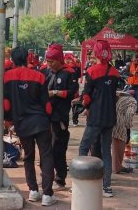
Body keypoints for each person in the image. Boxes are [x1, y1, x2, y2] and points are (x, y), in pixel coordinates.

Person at [4, 47, 57, 207]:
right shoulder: (39, 76)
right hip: (40, 122)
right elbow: (47, 106)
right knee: (46, 156)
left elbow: (6, 104)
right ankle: (47, 194)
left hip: (22, 123)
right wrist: (48, 120)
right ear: (27, 58)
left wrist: (8, 121)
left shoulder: (6, 77)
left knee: (28, 157)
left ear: (12, 60)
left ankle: (33, 191)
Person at [78, 40, 119, 198]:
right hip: (110, 117)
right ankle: (107, 187)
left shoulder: (92, 71)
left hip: (95, 116)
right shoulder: (115, 72)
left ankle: (81, 183)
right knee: (106, 152)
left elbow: (87, 97)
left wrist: (85, 105)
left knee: (83, 147)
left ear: (96, 53)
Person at [41, 44, 79, 192]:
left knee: (58, 148)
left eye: (52, 61)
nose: (49, 64)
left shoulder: (69, 72)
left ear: (59, 60)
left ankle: (60, 178)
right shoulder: (45, 71)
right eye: (48, 61)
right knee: (45, 148)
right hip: (45, 115)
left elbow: (72, 92)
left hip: (60, 116)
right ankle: (46, 177)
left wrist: (55, 92)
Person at [112, 92, 137, 174]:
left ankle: (114, 166)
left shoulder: (117, 95)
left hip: (108, 119)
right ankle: (117, 168)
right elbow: (129, 114)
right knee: (119, 144)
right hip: (119, 123)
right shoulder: (132, 101)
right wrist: (128, 126)